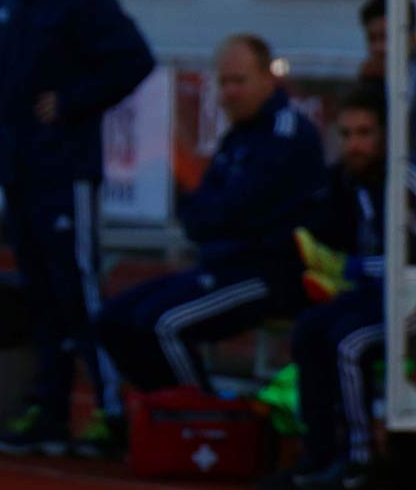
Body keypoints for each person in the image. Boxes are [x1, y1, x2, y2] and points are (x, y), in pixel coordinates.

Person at [0, 0, 154, 457]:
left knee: (78, 289)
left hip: (65, 167)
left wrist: (73, 102)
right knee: (40, 294)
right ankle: (50, 410)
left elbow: (134, 58)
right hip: (19, 162)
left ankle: (110, 410)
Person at [98, 34, 327, 398]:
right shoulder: (238, 137)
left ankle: (202, 418)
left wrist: (214, 216)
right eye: (223, 82)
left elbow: (237, 208)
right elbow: (201, 212)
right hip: (221, 265)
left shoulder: (287, 134)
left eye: (239, 80)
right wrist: (213, 216)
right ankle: (162, 415)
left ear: (268, 79)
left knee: (162, 325)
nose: (230, 92)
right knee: (113, 318)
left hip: (267, 274)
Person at [278, 85, 389, 490]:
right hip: (378, 296)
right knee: (311, 329)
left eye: (366, 133)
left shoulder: (405, 182)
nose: (355, 145)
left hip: (406, 301)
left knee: (350, 343)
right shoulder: (344, 182)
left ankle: (362, 460)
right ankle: (321, 452)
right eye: (346, 135)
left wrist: (350, 268)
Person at [357, 0, 414, 82]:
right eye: (372, 39)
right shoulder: (371, 80)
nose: (378, 48)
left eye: (386, 37)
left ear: (412, 37)